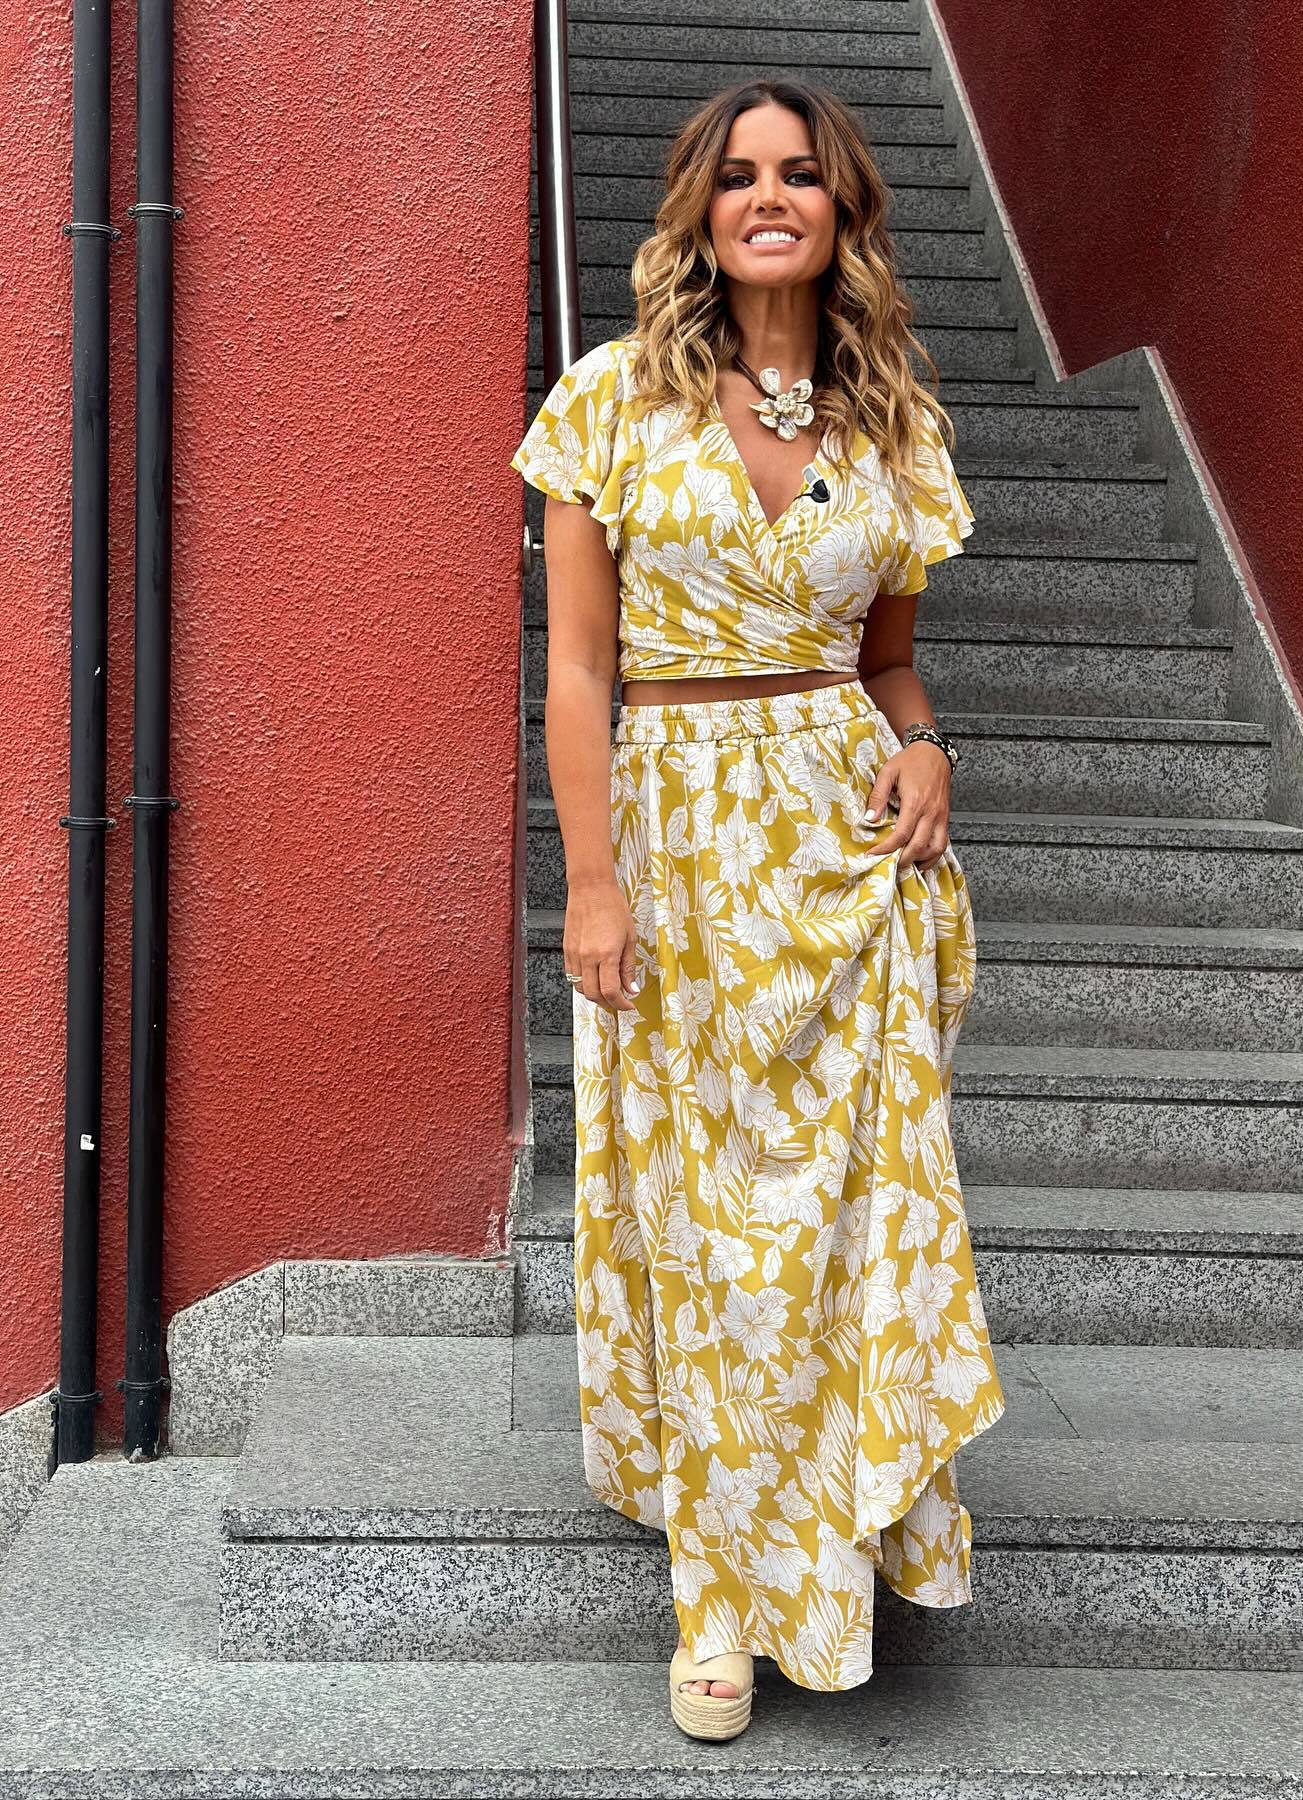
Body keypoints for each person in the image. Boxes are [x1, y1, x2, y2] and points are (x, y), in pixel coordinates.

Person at [509, 75, 1006, 1742]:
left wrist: (926, 747)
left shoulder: (893, 424)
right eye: (736, 176)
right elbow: (580, 673)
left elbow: (889, 663)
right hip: (678, 854)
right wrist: (592, 880)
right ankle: (719, 1600)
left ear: (844, 208)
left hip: (851, 859)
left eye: (799, 173)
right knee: (708, 1229)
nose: (768, 196)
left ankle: (842, 1546)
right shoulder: (608, 402)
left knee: (852, 1220)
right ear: (700, 214)